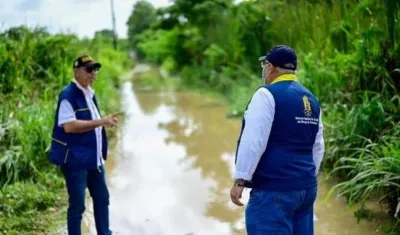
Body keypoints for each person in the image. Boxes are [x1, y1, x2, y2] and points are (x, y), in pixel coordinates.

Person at [230, 45, 325, 234]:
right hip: (306, 189)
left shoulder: (266, 95)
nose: (264, 70)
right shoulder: (311, 98)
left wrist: (240, 179)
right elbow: (318, 146)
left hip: (274, 191)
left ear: (271, 67)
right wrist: (305, 177)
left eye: (265, 65)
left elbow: (253, 142)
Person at [48, 55, 122, 235]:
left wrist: (102, 122)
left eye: (95, 69)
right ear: (77, 72)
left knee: (102, 198)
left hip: (94, 159)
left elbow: (92, 123)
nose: (93, 73)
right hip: (75, 161)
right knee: (78, 206)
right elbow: (70, 126)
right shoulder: (68, 95)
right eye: (89, 70)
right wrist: (101, 121)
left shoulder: (89, 93)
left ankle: (105, 233)